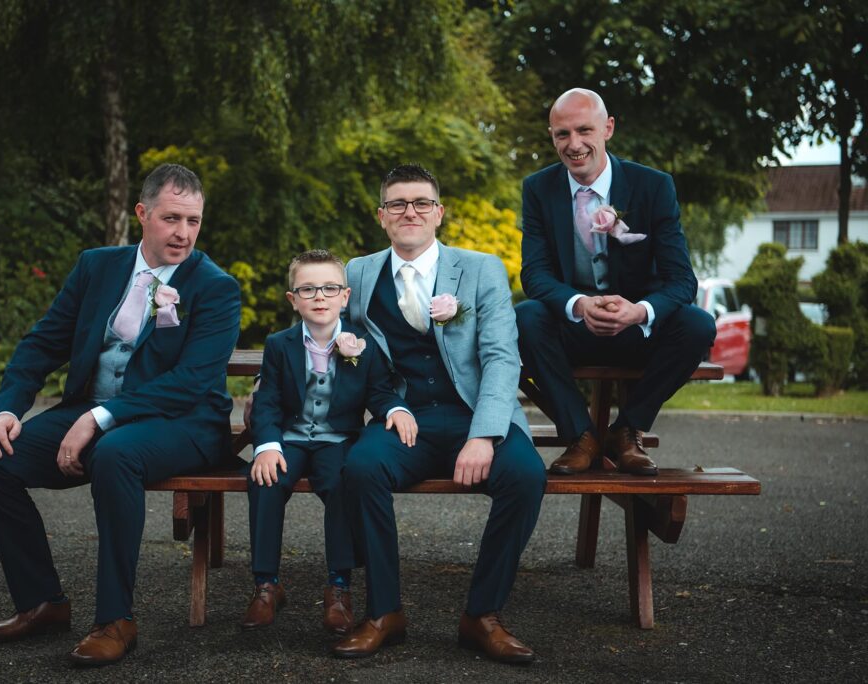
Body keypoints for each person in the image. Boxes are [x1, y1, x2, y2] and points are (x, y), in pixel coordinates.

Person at [0, 164, 241, 666]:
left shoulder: (216, 286)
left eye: (194, 221)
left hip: (185, 423)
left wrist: (100, 417)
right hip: (91, 414)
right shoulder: (97, 266)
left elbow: (193, 381)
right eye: (171, 218)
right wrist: (7, 410)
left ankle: (116, 620)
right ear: (142, 213)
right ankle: (42, 602)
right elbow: (44, 342)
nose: (183, 233)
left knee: (114, 455)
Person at [332, 164, 546, 665]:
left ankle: (482, 615)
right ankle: (384, 612)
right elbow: (320, 329)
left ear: (439, 213)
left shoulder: (480, 268)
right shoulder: (359, 272)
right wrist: (268, 383)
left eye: (422, 203)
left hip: (475, 412)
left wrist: (485, 434)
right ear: (381, 215)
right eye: (398, 204)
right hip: (406, 417)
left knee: (525, 475)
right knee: (360, 469)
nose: (411, 212)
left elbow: (500, 356)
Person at [516, 88, 715, 476]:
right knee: (525, 318)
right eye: (562, 134)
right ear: (552, 136)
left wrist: (640, 311)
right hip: (574, 331)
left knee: (698, 325)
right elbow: (535, 274)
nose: (574, 145)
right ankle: (581, 436)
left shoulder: (653, 186)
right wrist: (579, 304)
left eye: (584, 130)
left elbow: (681, 280)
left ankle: (628, 430)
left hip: (637, 333)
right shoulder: (538, 189)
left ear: (608, 128)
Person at [243, 249, 416, 635]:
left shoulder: (364, 346)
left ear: (345, 296)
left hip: (336, 439)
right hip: (289, 437)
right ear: (293, 299)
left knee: (341, 483)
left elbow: (380, 393)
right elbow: (267, 402)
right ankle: (266, 583)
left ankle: (339, 587)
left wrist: (396, 410)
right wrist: (266, 445)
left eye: (329, 288)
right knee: (264, 481)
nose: (319, 297)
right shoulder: (279, 344)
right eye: (307, 289)